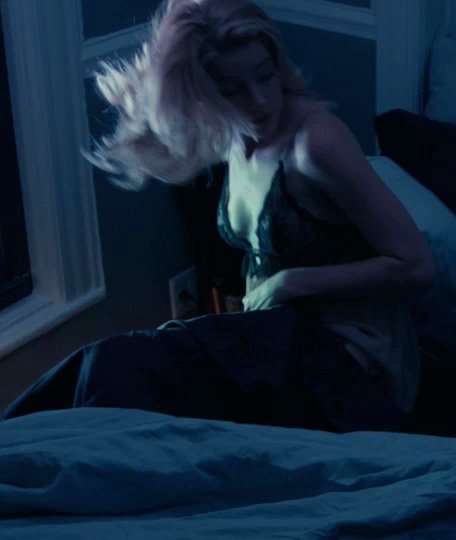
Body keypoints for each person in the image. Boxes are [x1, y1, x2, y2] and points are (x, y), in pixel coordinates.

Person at [13, 0, 433, 427]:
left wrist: (293, 282)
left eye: (265, 75)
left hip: (350, 349)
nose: (259, 101)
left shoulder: (316, 143)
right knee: (105, 365)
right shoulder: (233, 133)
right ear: (203, 93)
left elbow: (416, 264)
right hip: (271, 336)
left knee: (142, 385)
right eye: (232, 89)